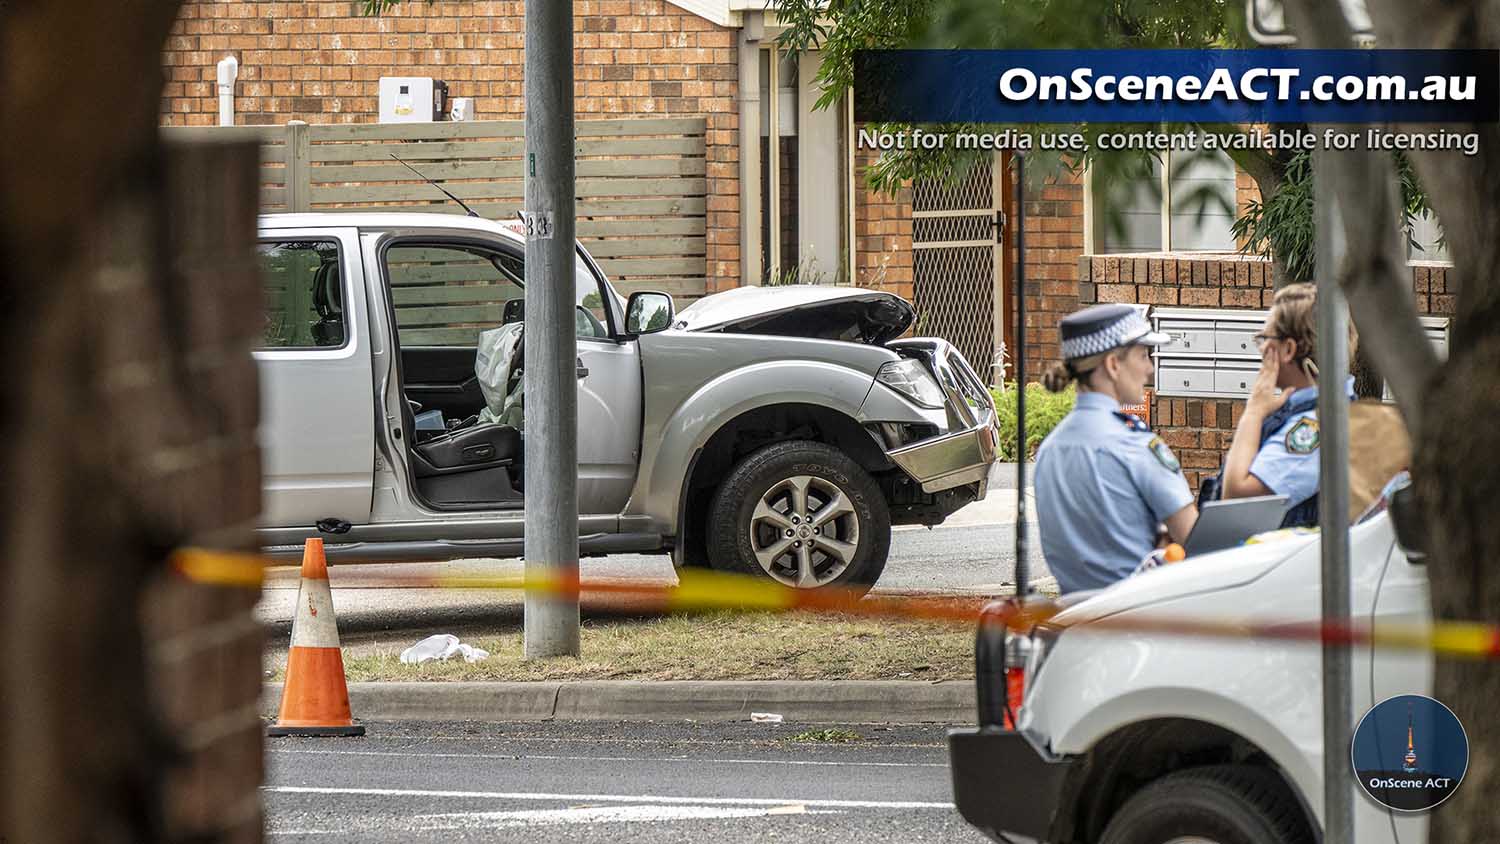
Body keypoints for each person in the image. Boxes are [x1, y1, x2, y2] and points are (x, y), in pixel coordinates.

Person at [1034, 304, 1198, 594]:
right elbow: (1192, 537)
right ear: (1113, 365)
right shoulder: (1132, 442)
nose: (1149, 368)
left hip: (1074, 619)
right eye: (1143, 355)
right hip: (1138, 615)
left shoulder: (1050, 449)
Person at [1206, 283, 1355, 528]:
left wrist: (1254, 410)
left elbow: (1233, 498)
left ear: (1288, 349)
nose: (1262, 348)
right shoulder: (1316, 411)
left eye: (1265, 338)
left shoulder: (1316, 426)